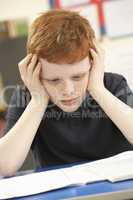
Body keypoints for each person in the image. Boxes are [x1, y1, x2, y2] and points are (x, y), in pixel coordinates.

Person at [0, 9, 133, 176]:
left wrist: (98, 90)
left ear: (93, 64)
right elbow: (4, 166)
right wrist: (38, 101)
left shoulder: (113, 85)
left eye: (78, 77)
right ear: (35, 72)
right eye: (54, 80)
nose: (68, 90)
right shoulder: (28, 97)